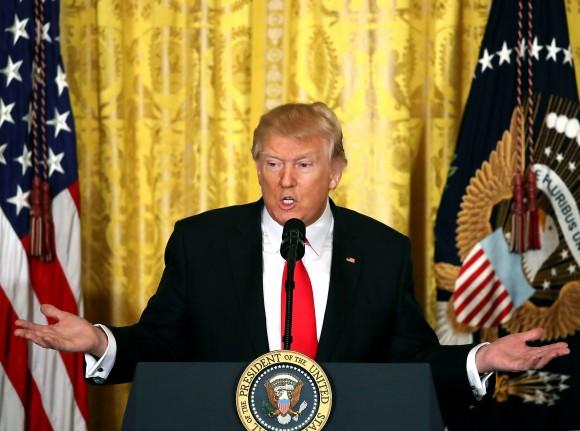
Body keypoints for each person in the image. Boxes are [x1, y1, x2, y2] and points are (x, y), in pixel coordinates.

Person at [15, 102, 569, 414]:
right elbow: (164, 340)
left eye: (303, 165)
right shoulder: (201, 242)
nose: (285, 181)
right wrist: (100, 340)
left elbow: (410, 359)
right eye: (271, 163)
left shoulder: (381, 251)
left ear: (335, 171)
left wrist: (483, 359)